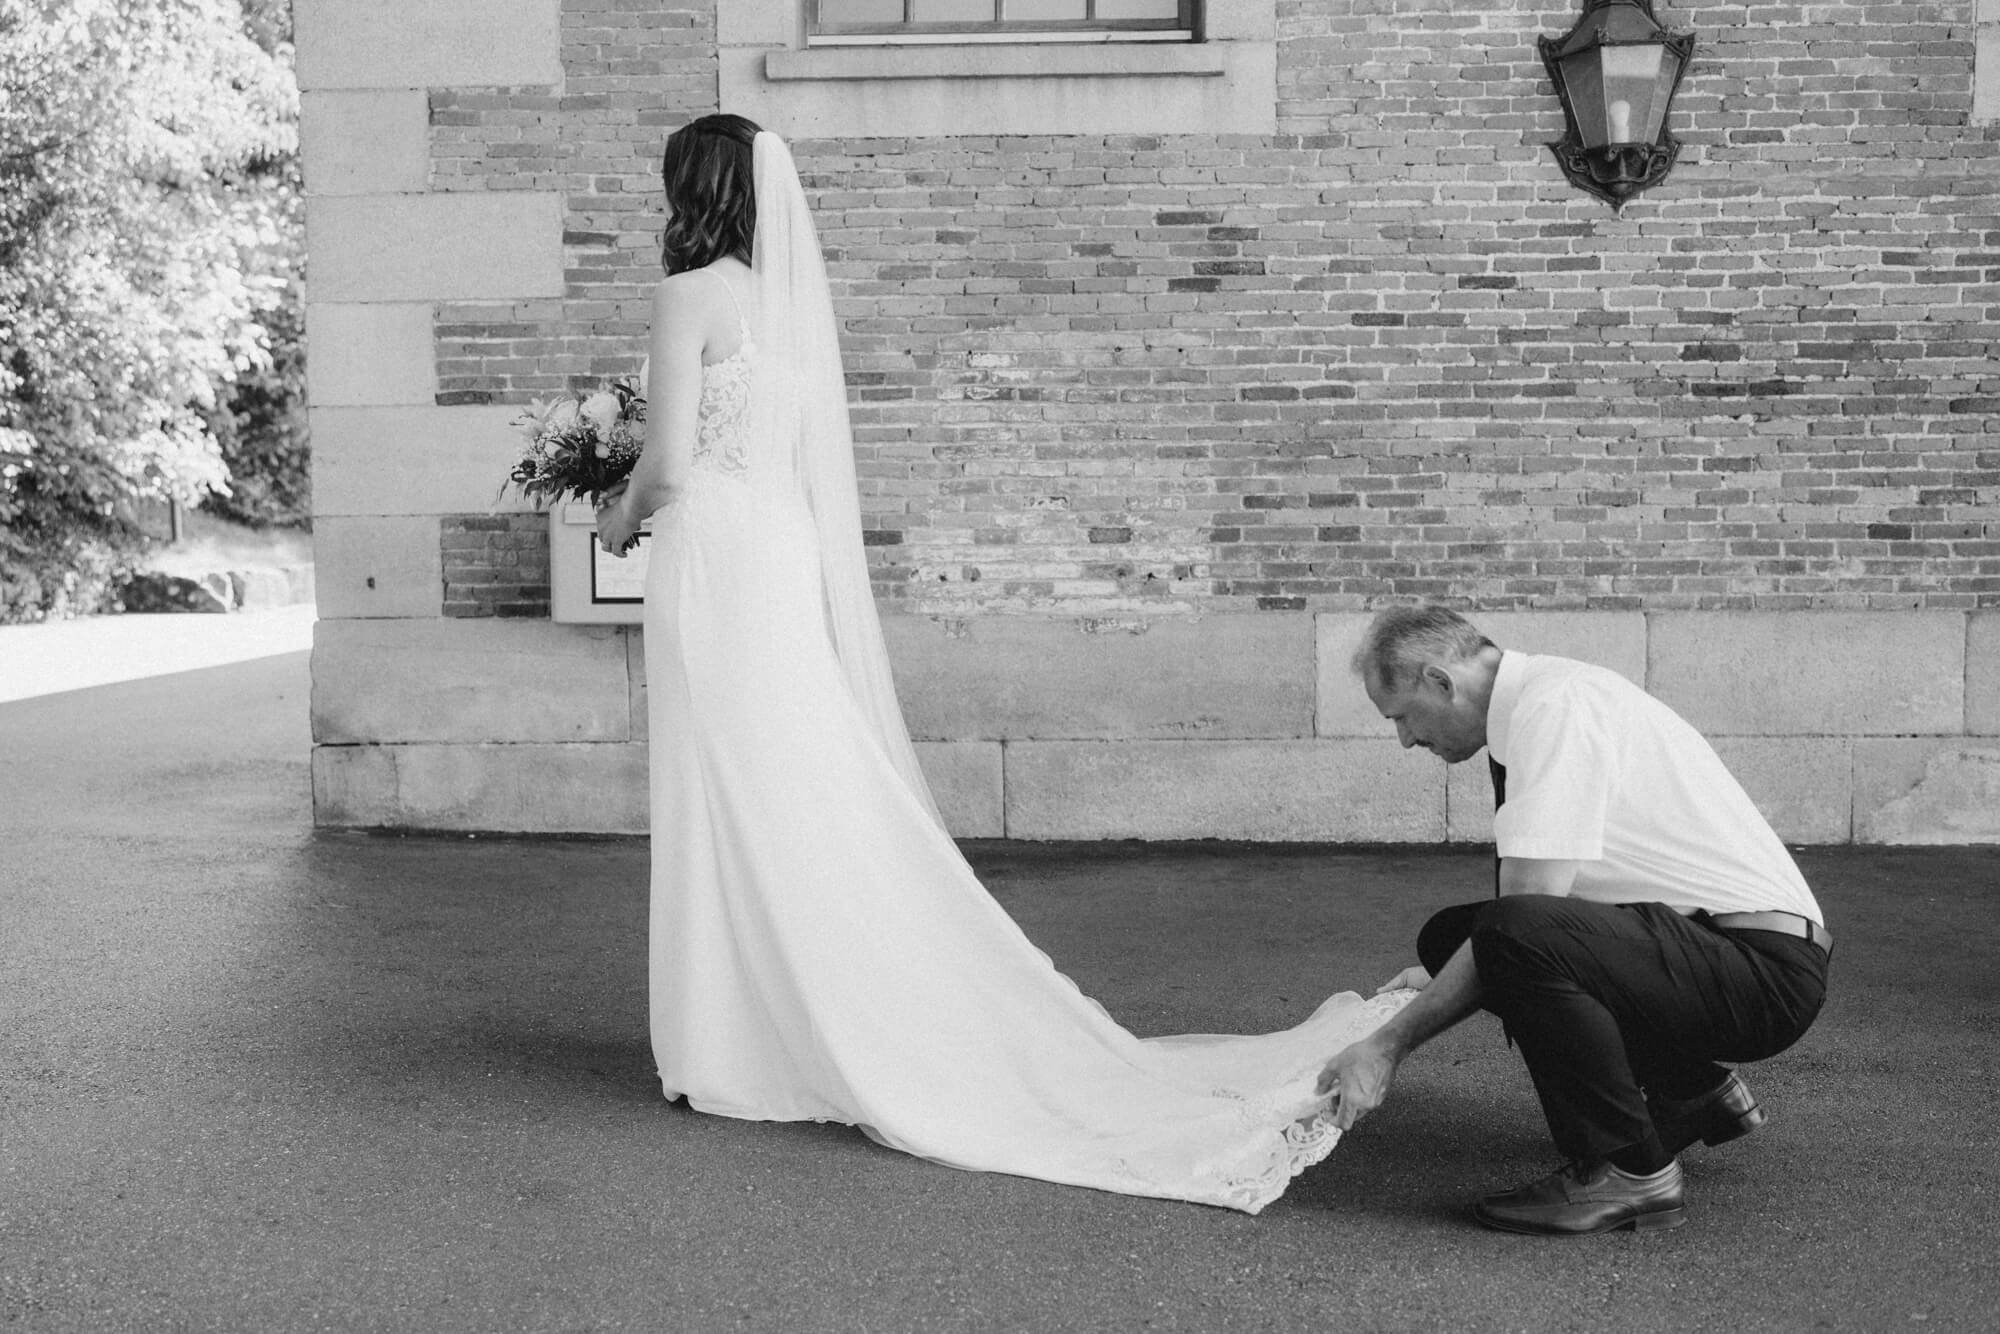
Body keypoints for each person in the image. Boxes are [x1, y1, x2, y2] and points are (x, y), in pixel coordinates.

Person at [592, 114, 1408, 1213]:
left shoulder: (688, 294)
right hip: (775, 554)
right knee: (789, 773)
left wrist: (612, 514)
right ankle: (781, 1017)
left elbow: (673, 461)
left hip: (716, 558)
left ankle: (735, 1039)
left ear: (685, 187)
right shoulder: (789, 313)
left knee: (725, 780)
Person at [1316, 606, 1830, 1235]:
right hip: (1713, 949)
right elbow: (1533, 915)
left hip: (1760, 974)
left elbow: (1526, 918)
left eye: (1399, 717)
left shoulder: (1557, 708)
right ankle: (1691, 1094)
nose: (1404, 740)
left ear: (1439, 682)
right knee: (1452, 939)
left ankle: (1631, 1170)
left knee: (1504, 936)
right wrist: (1444, 974)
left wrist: (1385, 1047)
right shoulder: (1536, 704)